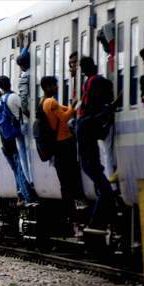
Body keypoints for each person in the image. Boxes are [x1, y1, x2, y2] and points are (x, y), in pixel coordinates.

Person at [76, 56, 116, 229]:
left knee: (104, 191)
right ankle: (94, 226)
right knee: (106, 192)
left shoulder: (82, 120)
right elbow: (99, 122)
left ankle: (97, 226)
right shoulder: (85, 122)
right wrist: (112, 107)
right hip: (91, 163)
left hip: (91, 163)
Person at [40, 76, 85, 213]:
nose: (57, 87)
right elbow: (65, 117)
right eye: (54, 85)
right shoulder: (52, 102)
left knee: (63, 179)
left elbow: (64, 109)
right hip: (64, 142)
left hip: (56, 145)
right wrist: (74, 106)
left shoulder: (43, 102)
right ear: (47, 87)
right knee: (72, 174)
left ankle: (69, 209)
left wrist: (72, 107)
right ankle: (76, 203)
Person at [0, 75, 37, 205]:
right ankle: (29, 179)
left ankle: (27, 181)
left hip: (12, 130)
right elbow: (25, 108)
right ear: (9, 83)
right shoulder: (14, 97)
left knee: (22, 156)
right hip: (21, 128)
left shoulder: (2, 98)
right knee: (24, 155)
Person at [16, 53, 34, 185]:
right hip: (29, 121)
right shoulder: (34, 74)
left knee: (23, 152)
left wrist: (25, 111)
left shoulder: (24, 77)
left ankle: (29, 179)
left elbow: (23, 98)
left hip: (25, 121)